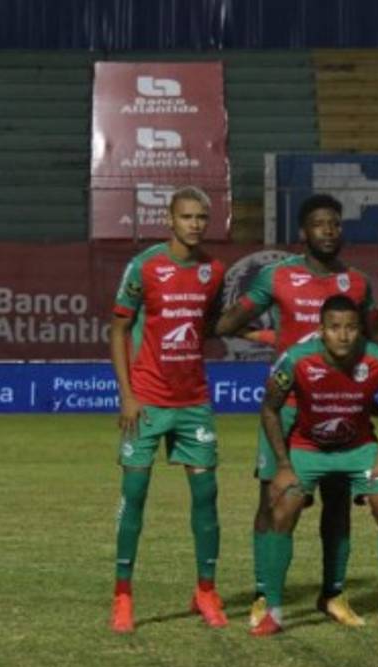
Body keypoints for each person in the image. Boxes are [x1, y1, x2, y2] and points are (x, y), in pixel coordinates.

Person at [216, 194, 378, 628]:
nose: (329, 231)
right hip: (287, 407)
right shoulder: (277, 277)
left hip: (341, 407)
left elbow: (373, 339)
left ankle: (333, 594)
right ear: (304, 233)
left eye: (335, 224)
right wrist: (273, 340)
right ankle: (264, 595)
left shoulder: (359, 284)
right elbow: (227, 324)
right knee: (272, 499)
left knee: (338, 501)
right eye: (319, 224)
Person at [251, 295, 378, 637]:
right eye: (335, 328)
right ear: (321, 330)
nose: (343, 335)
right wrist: (282, 465)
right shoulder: (296, 360)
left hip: (359, 448)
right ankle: (274, 612)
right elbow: (269, 407)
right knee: (285, 505)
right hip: (308, 448)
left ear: (360, 331)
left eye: (351, 328)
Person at [108, 185, 227, 633]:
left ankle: (206, 591)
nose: (194, 224)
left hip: (194, 402)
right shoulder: (145, 267)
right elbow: (118, 329)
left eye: (201, 217)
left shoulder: (214, 270)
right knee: (134, 497)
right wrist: (127, 395)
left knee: (206, 498)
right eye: (187, 217)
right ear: (170, 220)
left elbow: (207, 323)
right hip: (147, 403)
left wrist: (255, 335)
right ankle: (122, 595)